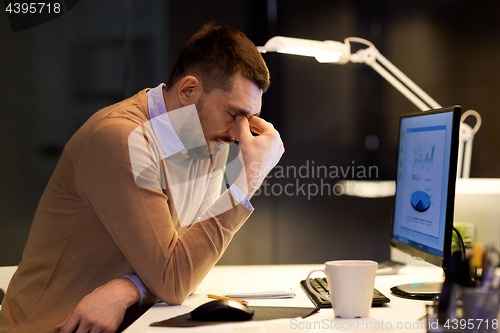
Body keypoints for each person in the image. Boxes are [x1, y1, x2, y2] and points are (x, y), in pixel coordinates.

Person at [0, 23, 284, 333]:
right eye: (234, 114)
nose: (239, 134)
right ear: (189, 91)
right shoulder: (119, 139)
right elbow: (175, 280)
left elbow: (189, 264)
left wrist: (130, 287)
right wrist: (248, 180)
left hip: (131, 322)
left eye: (248, 119)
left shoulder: (208, 139)